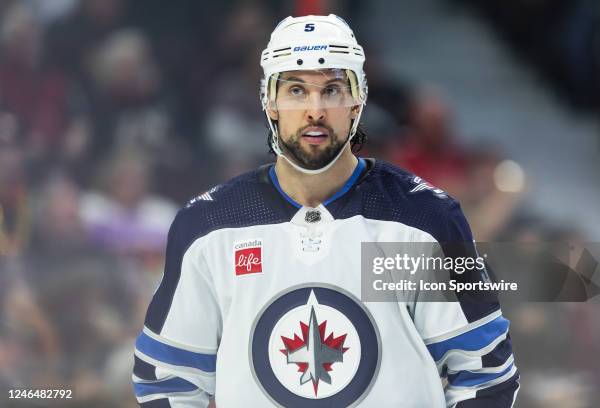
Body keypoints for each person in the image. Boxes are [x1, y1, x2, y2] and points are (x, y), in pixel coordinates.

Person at [132, 15, 519, 407]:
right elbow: (168, 379)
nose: (315, 110)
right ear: (270, 101)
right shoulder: (208, 227)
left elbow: (483, 372)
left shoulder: (423, 219)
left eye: (332, 89)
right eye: (297, 90)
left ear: (358, 100)